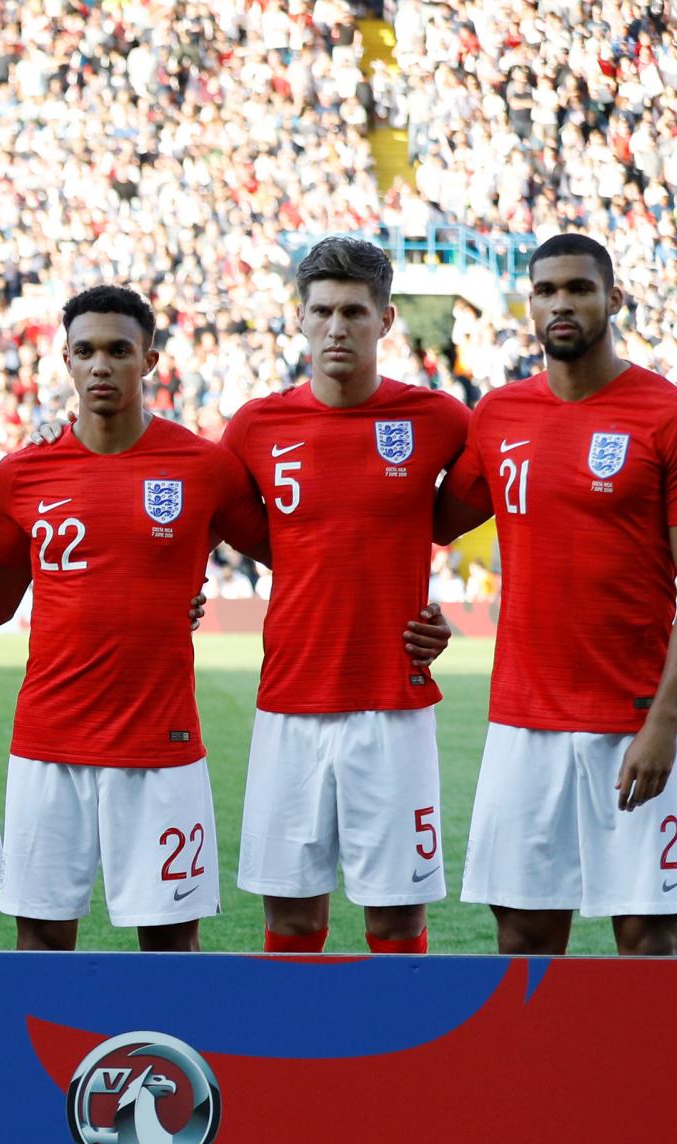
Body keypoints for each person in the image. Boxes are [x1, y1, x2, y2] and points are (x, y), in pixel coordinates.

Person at [0, 286, 268, 952]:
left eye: (118, 351)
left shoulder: (205, 467)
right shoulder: (21, 475)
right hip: (49, 745)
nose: (101, 365)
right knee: (42, 942)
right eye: (86, 351)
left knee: (169, 946)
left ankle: (169, 1062)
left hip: (160, 749)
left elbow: (300, 552)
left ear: (150, 361)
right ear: (66, 361)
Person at [446, 233, 677, 956]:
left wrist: (663, 720)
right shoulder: (498, 415)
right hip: (522, 723)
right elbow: (421, 520)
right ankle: (528, 1076)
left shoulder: (673, 418)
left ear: (613, 299)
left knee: (650, 937)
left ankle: (652, 1076)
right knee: (524, 936)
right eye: (546, 291)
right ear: (528, 305)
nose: (562, 304)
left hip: (633, 721)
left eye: (578, 289)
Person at [219, 237, 467, 955]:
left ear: (386, 320)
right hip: (290, 702)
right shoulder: (255, 427)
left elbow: (503, 491)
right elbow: (199, 519)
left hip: (394, 704)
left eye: (354, 311)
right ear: (299, 318)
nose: (337, 326)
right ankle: (296, 1068)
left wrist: (434, 608)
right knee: (291, 920)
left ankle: (400, 1069)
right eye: (322, 310)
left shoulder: (441, 420)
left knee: (395, 920)